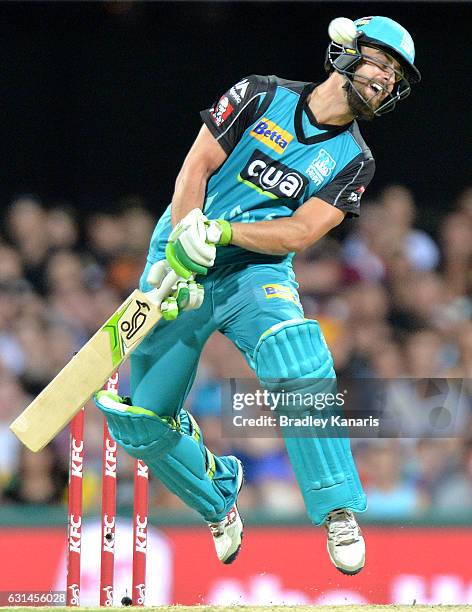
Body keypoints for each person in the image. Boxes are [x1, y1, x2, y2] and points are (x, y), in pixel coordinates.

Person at [95, 15, 421, 575]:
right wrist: (186, 234)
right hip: (177, 256)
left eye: (396, 78)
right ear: (346, 51)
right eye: (381, 64)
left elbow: (297, 233)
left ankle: (338, 508)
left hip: (255, 273)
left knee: (298, 356)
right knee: (140, 422)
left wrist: (220, 233)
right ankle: (216, 494)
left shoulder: (355, 161)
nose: (387, 81)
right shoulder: (259, 93)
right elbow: (196, 165)